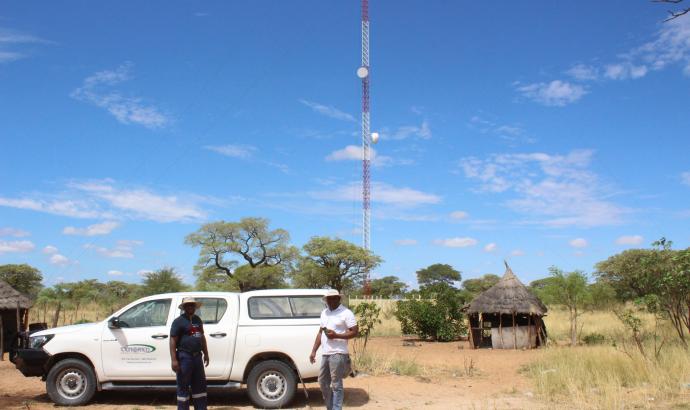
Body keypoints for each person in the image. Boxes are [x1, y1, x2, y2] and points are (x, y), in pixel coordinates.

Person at [309, 289, 359, 410]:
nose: (330, 301)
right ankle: (330, 407)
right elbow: (320, 333)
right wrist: (314, 351)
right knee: (322, 382)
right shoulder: (324, 313)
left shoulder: (346, 313)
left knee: (336, 384)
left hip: (338, 353)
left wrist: (337, 335)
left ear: (338, 299)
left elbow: (355, 332)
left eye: (332, 298)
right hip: (326, 353)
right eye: (328, 299)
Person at [170, 297, 209, 410]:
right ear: (184, 308)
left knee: (200, 386)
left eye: (192, 305)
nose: (190, 307)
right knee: (183, 386)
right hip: (184, 357)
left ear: (195, 307)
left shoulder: (198, 320)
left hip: (197, 357)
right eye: (188, 305)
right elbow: (173, 340)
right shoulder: (178, 321)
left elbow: (202, 337)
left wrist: (206, 353)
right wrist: (174, 360)